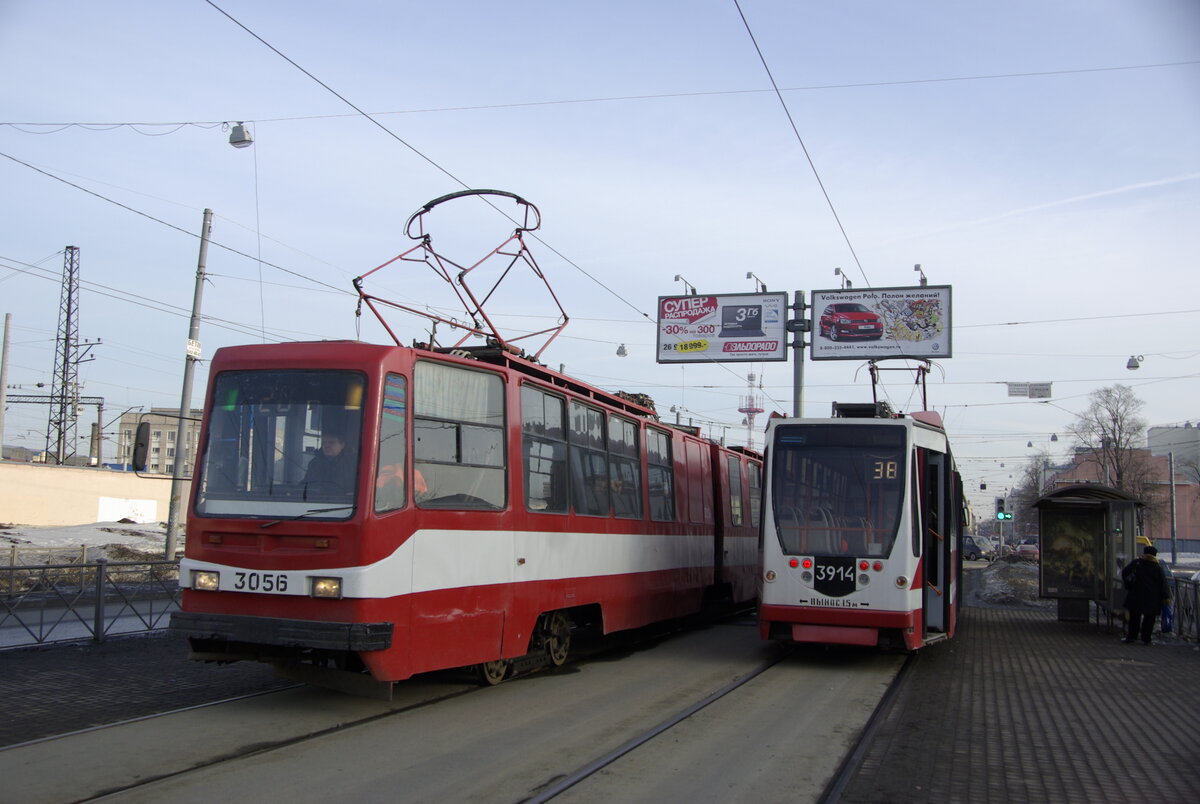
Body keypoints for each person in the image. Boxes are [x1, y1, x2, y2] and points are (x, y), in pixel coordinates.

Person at [1121, 545, 1172, 645]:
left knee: (1134, 618)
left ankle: (1132, 637)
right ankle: (1146, 639)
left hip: (1136, 595)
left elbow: (1125, 573)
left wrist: (1129, 585)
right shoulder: (1157, 568)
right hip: (1152, 598)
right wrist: (1166, 597)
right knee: (1149, 619)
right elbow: (1163, 584)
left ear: (1144, 553)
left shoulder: (1137, 563)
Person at [304, 431, 356, 498]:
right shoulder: (315, 463)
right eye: (324, 443)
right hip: (317, 500)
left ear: (342, 445)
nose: (327, 446)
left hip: (343, 503)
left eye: (332, 442)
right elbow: (307, 484)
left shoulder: (353, 464)